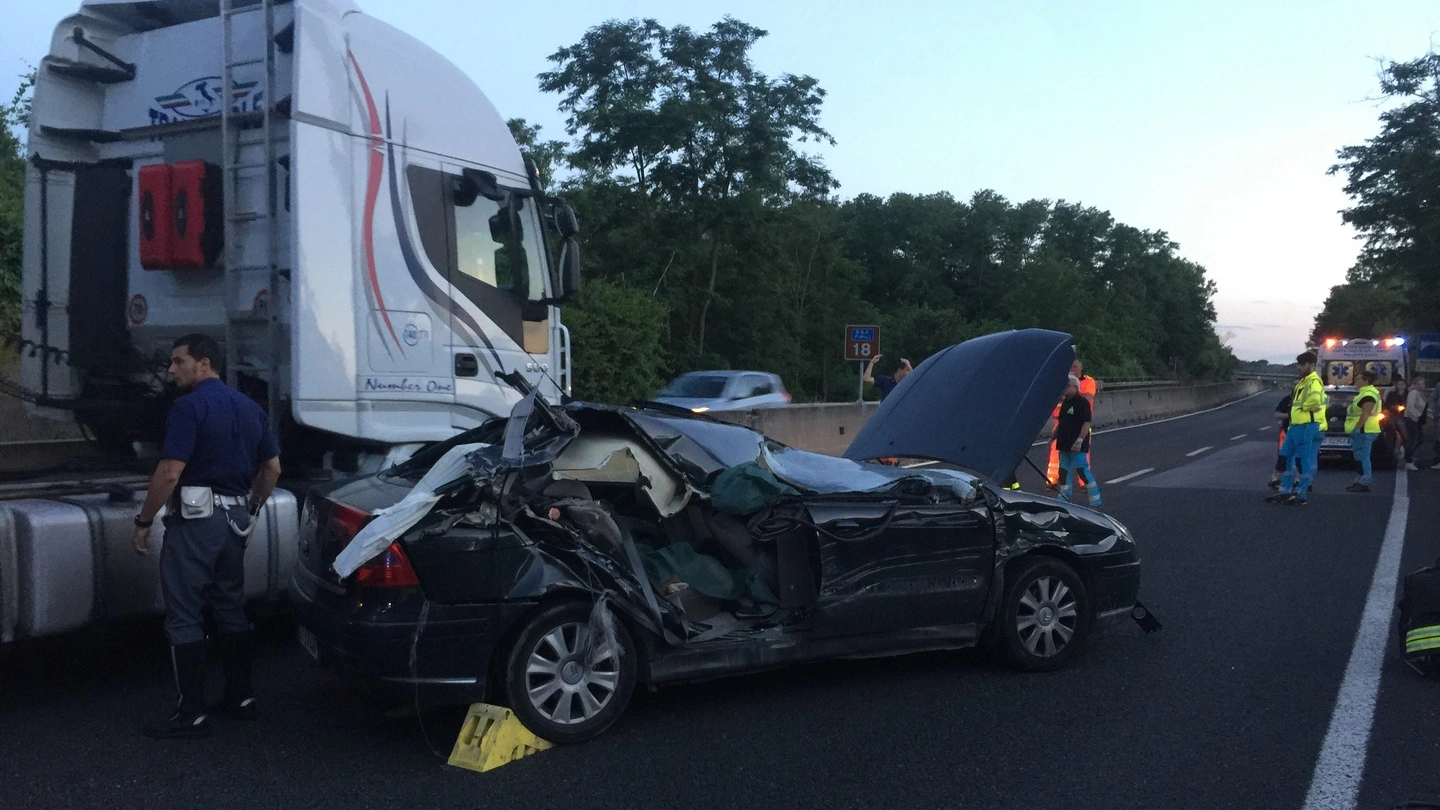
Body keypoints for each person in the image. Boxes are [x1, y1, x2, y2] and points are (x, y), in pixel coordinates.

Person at [130, 334, 282, 739]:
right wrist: (251, 509)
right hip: (234, 521)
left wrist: (144, 521)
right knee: (230, 606)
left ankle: (191, 714)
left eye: (179, 362)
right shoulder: (250, 407)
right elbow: (272, 470)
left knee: (184, 613)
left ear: (204, 363)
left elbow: (169, 472)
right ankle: (241, 698)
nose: (170, 370)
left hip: (196, 522)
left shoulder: (188, 407)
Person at [1267, 351, 1325, 506]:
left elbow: (1314, 401)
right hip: (1295, 425)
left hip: (1306, 425)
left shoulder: (1314, 381)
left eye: (1302, 364)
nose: (1299, 367)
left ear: (1311, 365)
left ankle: (1301, 494)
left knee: (1302, 459)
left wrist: (1302, 408)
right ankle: (1284, 491)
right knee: (1285, 456)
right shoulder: (1303, 381)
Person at [1052, 374, 1102, 507]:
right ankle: (1064, 495)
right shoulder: (1064, 403)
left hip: (1077, 444)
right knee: (1063, 471)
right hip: (1064, 443)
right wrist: (1054, 436)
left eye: (1068, 386)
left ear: (1075, 387)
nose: (1065, 389)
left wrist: (1079, 440)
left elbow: (1086, 423)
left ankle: (1094, 498)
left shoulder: (1082, 403)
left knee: (1082, 470)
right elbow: (1061, 421)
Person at [1047, 359, 1097, 488]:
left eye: (1075, 366)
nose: (1072, 369)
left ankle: (1084, 483)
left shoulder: (1089, 381)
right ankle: (1053, 480)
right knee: (1057, 452)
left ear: (1081, 368)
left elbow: (1087, 397)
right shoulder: (1064, 381)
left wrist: (1072, 392)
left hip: (1081, 421)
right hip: (1061, 420)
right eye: (1071, 367)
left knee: (1081, 454)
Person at [1344, 370, 1383, 493]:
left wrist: (1357, 428)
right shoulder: (1363, 393)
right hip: (1363, 430)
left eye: (1358, 379)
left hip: (1365, 430)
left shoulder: (1369, 394)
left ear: (1366, 381)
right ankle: (1360, 480)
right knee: (1360, 457)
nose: (1355, 381)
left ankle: (1364, 481)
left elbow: (1365, 414)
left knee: (1363, 457)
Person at [1268, 386, 1294, 489]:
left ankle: (1296, 481)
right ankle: (1276, 479)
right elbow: (1277, 414)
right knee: (1282, 456)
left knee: (1298, 458)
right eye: (1294, 385)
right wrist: (1289, 416)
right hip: (1286, 431)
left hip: (1301, 432)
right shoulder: (1287, 400)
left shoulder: (1306, 400)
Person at [1404, 376, 1428, 470]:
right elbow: (1410, 406)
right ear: (1415, 385)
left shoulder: (1421, 394)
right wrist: (1415, 416)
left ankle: (1408, 456)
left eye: (1423, 384)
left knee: (1419, 438)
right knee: (1413, 439)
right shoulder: (1413, 393)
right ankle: (1408, 460)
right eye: (1419, 384)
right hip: (1412, 419)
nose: (1421, 386)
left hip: (1418, 419)